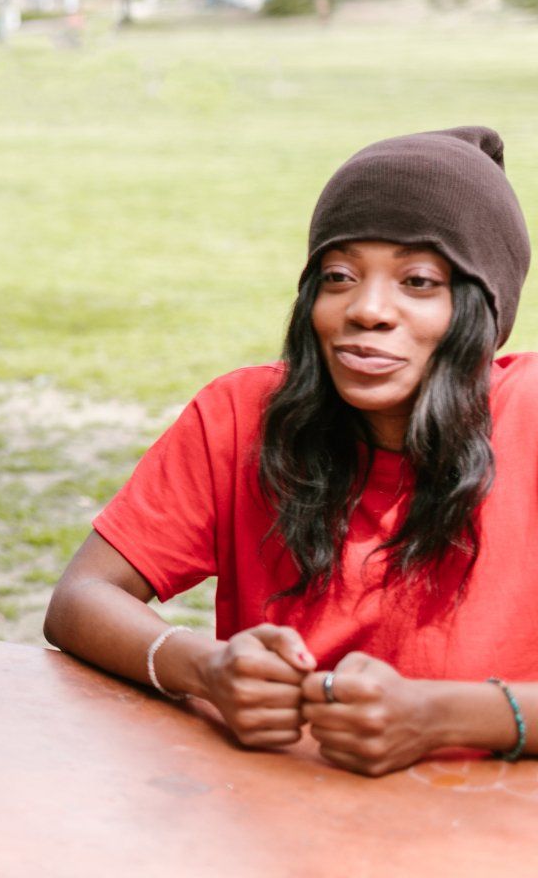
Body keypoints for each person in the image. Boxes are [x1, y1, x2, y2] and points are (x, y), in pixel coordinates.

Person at [46, 127, 538, 776]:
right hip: (278, 813)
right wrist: (204, 667)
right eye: (339, 276)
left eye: (418, 281)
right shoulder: (241, 414)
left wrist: (443, 716)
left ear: (485, 308)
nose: (367, 309)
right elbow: (80, 598)